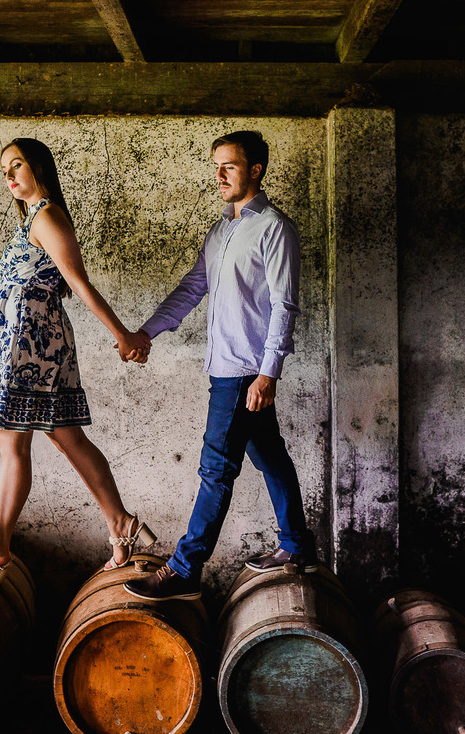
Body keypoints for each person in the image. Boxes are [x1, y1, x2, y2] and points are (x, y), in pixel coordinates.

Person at [0, 137, 155, 581]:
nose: (9, 176)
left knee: (13, 442)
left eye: (16, 165)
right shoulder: (34, 220)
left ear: (38, 166)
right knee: (66, 436)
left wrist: (122, 335)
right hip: (29, 340)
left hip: (31, 345)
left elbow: (78, 283)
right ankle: (121, 524)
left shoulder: (47, 216)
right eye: (4, 169)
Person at [124, 130, 318, 602]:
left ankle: (185, 569)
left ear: (255, 170)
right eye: (216, 165)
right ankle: (297, 547)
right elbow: (193, 288)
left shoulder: (274, 227)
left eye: (228, 166)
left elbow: (284, 307)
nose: (219, 175)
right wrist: (147, 331)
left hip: (245, 372)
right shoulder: (222, 229)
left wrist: (268, 373)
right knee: (271, 458)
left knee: (216, 470)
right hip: (226, 369)